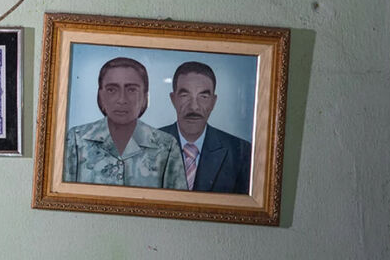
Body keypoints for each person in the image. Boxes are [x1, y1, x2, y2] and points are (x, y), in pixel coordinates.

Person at [64, 57, 186, 189]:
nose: (122, 100)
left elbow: (177, 200)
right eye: (112, 90)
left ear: (145, 96)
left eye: (131, 90)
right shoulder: (76, 140)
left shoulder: (166, 145)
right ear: (101, 95)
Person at [161, 62, 253, 194]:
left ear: (213, 102)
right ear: (173, 99)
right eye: (185, 95)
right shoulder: (147, 147)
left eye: (203, 97)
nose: (194, 107)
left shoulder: (240, 152)